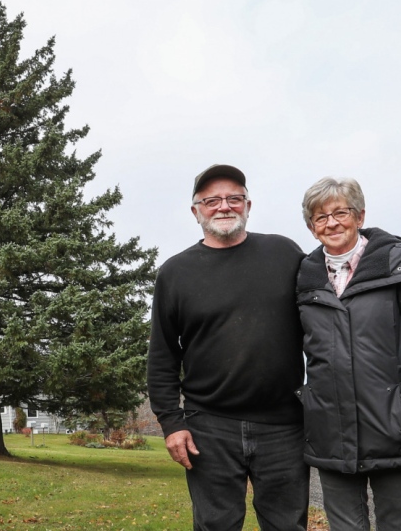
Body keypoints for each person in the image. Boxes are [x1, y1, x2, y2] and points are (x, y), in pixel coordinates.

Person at [147, 164, 309, 531]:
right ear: (196, 211)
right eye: (212, 200)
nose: (224, 206)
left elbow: (322, 320)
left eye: (234, 198)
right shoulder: (175, 273)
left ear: (248, 205)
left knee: (288, 526)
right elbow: (162, 356)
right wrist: (171, 423)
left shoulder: (285, 254)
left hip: (284, 425)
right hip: (209, 428)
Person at [296, 176, 401, 531]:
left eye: (341, 212)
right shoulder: (303, 278)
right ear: (311, 228)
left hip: (397, 431)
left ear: (360, 215)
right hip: (331, 437)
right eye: (321, 217)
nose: (332, 223)